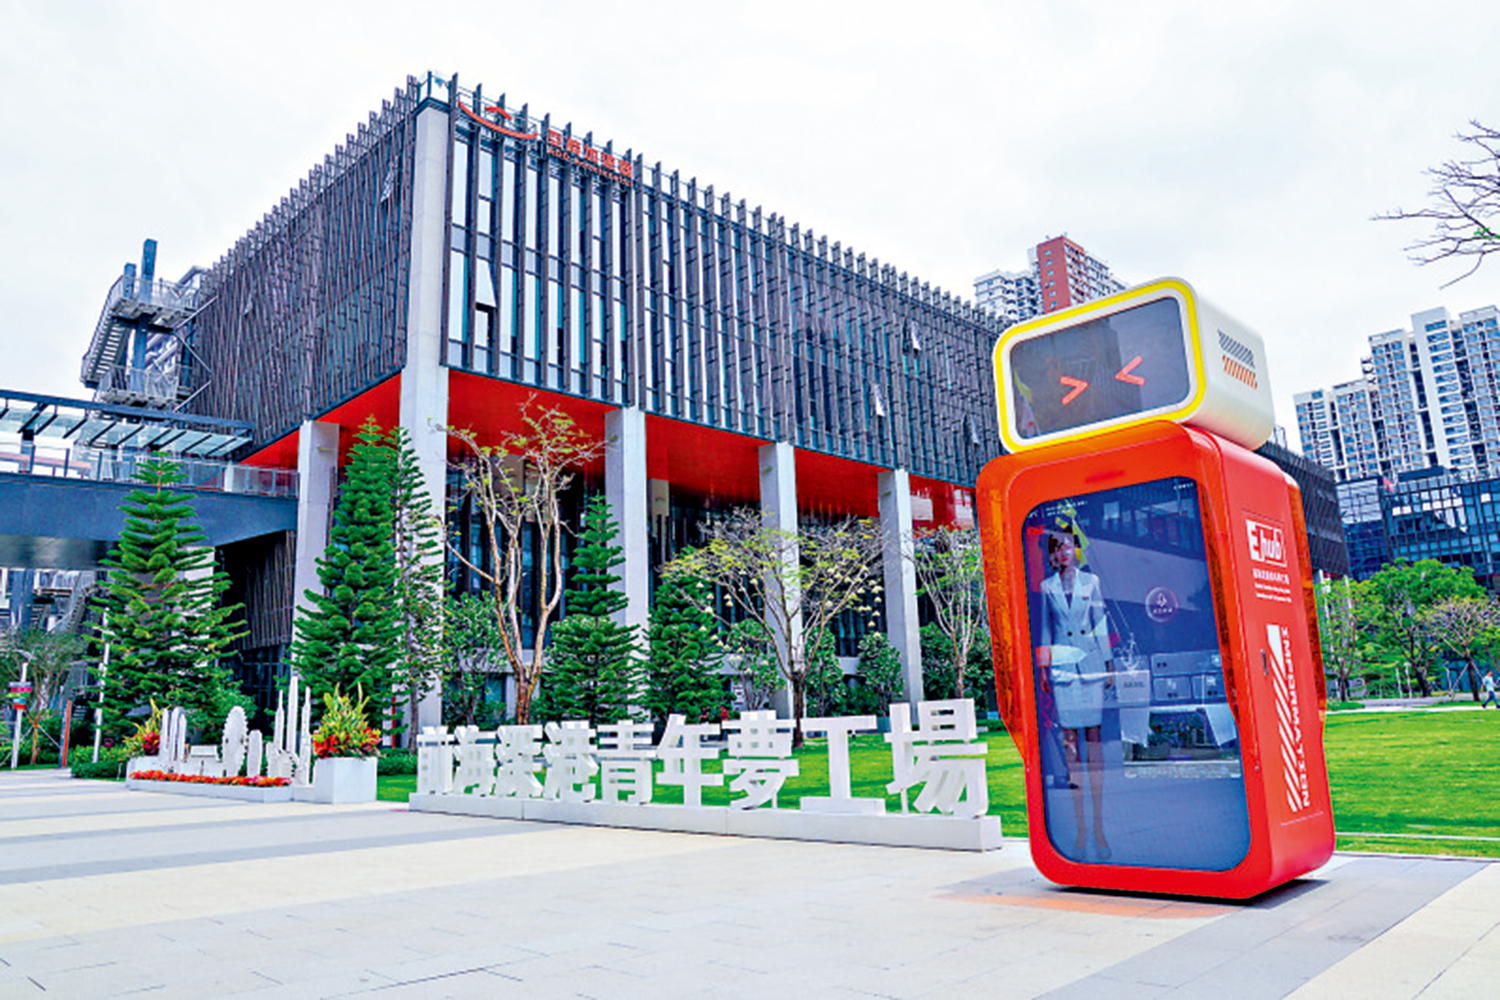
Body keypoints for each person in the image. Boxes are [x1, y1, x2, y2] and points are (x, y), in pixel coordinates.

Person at [1036, 527, 1115, 860]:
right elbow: (1045, 628)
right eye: (1057, 547)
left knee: (1094, 747)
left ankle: (1099, 826)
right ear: (1052, 554)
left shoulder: (1091, 582)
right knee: (1071, 750)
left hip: (1092, 666)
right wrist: (1043, 666)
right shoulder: (1047, 587)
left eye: (1068, 545)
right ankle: (1081, 829)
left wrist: (1109, 663)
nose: (1063, 551)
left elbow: (1100, 623)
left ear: (1076, 549)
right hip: (1063, 668)